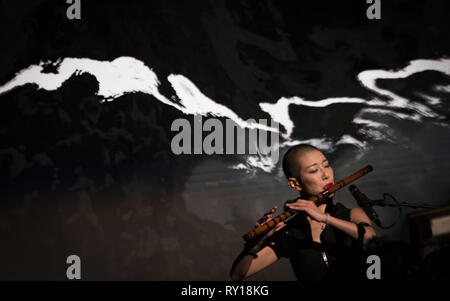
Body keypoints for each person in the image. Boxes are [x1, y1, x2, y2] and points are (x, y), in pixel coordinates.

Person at [230, 144, 377, 281]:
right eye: (314, 170)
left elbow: (371, 238)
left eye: (326, 165)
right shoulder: (290, 232)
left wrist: (325, 218)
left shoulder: (352, 215)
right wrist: (257, 244)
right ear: (295, 184)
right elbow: (238, 275)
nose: (326, 174)